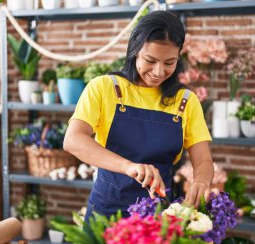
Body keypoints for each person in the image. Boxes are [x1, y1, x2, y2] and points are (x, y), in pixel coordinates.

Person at [63, 10, 214, 221]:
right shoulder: (105, 87)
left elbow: (204, 160)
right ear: (135, 50)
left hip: (157, 217)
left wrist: (202, 181)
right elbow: (73, 140)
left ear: (179, 57)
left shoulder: (185, 101)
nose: (159, 71)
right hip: (107, 213)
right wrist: (129, 167)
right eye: (150, 60)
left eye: (169, 62)